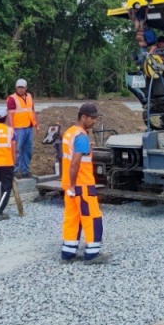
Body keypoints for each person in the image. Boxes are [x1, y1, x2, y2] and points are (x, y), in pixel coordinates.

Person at [60, 102, 108, 263]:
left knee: (72, 218)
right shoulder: (81, 136)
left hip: (70, 186)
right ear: (84, 117)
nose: (94, 121)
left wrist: (70, 186)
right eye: (92, 118)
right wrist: (75, 185)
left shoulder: (69, 133)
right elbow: (75, 163)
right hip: (83, 186)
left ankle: (67, 253)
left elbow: (70, 155)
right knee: (92, 218)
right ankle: (92, 254)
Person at [6, 79, 38, 179]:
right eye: (19, 87)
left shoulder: (29, 97)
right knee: (17, 151)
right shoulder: (12, 98)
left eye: (22, 87)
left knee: (27, 150)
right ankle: (14, 172)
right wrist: (12, 129)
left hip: (28, 127)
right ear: (16, 88)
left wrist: (36, 124)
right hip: (18, 128)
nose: (20, 89)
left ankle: (25, 171)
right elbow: (10, 114)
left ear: (26, 88)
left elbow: (32, 111)